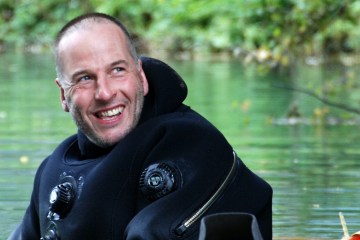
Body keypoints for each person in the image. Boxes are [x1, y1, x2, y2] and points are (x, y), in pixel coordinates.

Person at [8, 12, 272, 240]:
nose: (105, 92)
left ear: (142, 77)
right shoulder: (52, 169)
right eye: (85, 78)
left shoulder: (190, 143)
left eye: (118, 70)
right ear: (63, 95)